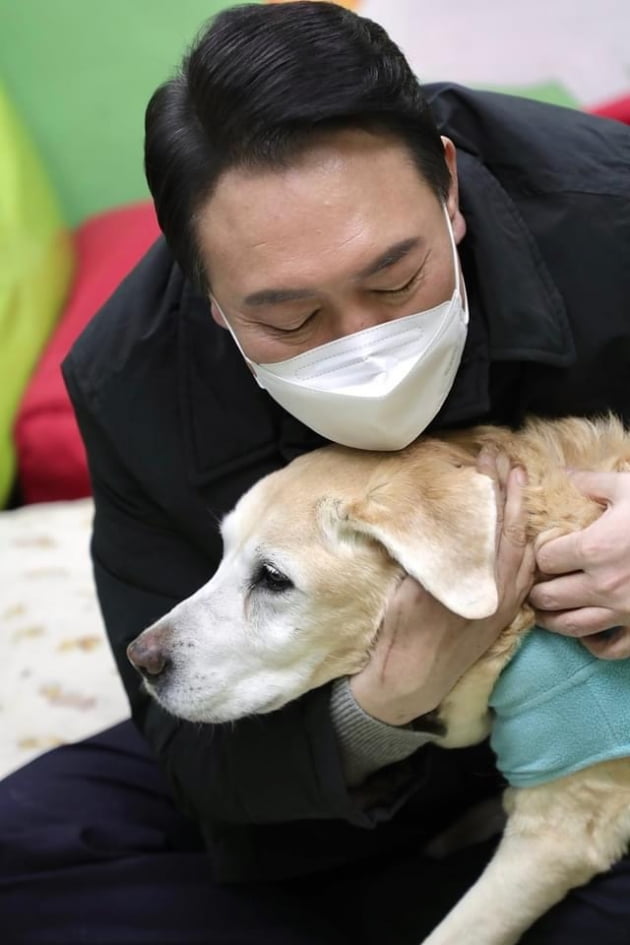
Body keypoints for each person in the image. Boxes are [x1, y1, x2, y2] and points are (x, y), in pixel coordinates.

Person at [2, 3, 630, 943]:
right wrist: (383, 706)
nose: (366, 343)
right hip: (342, 758)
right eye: (290, 318)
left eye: (395, 279)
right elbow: (191, 745)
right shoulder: (132, 380)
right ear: (204, 290)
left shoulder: (606, 209)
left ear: (449, 186)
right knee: (27, 849)